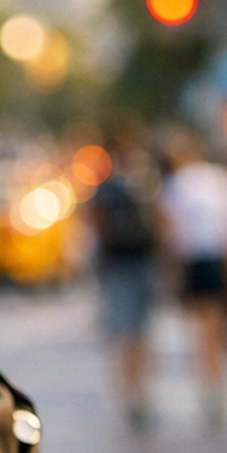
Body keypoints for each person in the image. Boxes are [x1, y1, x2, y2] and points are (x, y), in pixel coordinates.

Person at [160, 132, 227, 431]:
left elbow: (171, 234)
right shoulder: (223, 180)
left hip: (195, 262)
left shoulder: (175, 185)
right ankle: (217, 383)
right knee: (218, 327)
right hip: (218, 259)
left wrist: (171, 274)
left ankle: (210, 385)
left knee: (202, 328)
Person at [89, 145, 159, 432]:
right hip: (142, 264)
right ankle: (139, 394)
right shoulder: (146, 186)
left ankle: (130, 394)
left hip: (119, 266)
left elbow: (95, 225)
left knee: (123, 333)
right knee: (139, 333)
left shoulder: (107, 190)